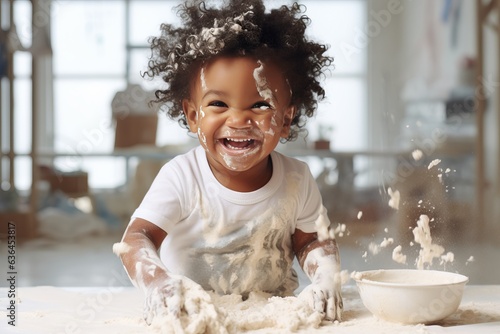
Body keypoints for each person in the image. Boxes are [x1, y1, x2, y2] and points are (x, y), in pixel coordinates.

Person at [114, 0, 343, 331]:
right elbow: (136, 239)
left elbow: (311, 243)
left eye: (261, 104)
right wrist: (158, 283)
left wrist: (325, 280)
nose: (238, 119)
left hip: (277, 318)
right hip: (194, 316)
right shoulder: (182, 176)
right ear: (193, 116)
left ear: (285, 120)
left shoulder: (297, 178)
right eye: (218, 103)